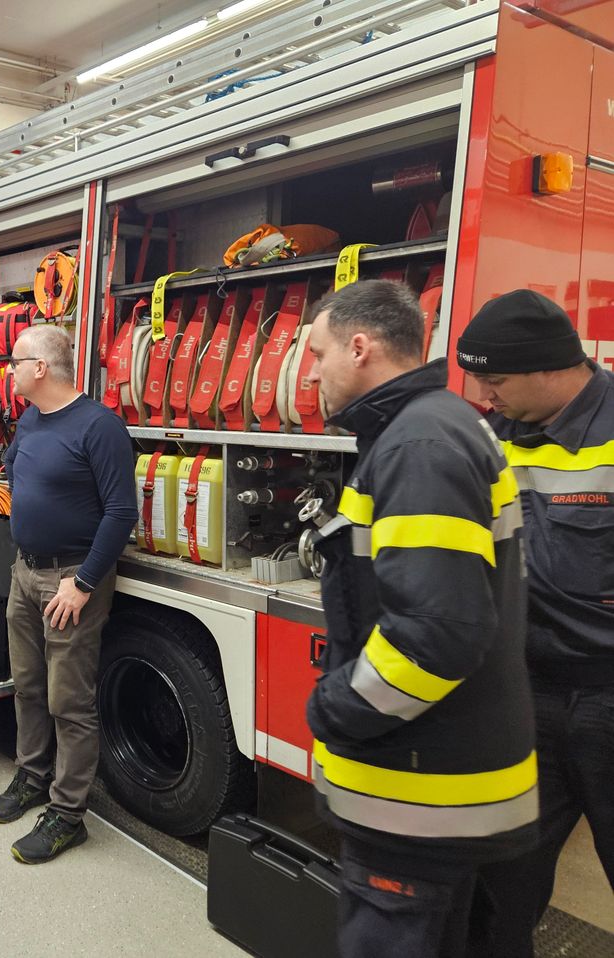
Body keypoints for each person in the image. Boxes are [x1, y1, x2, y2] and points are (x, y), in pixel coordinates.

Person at [302, 280, 537, 957]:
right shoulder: (431, 426)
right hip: (442, 784)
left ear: (359, 346)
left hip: (418, 802)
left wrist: (333, 708)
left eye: (317, 353)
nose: (311, 372)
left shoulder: (419, 447)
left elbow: (438, 634)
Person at [455, 290, 614, 957]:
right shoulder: (498, 437)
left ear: (550, 366)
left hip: (609, 701)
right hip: (530, 699)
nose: (485, 396)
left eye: (495, 379)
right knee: (497, 887)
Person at [0, 325, 137, 864]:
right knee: (27, 686)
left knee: (68, 701)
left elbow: (122, 513)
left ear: (41, 368)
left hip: (70, 581)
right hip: (24, 575)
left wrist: (84, 583)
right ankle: (31, 775)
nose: (9, 369)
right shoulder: (31, 418)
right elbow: (13, 466)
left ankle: (68, 814)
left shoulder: (100, 427)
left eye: (15, 361)